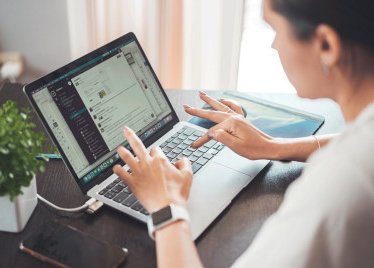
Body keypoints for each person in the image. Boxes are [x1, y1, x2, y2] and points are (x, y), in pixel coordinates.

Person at [113, 0, 374, 267]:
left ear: (326, 45)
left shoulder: (337, 187)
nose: (274, 46)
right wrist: (273, 146)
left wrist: (166, 207)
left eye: (275, 30)